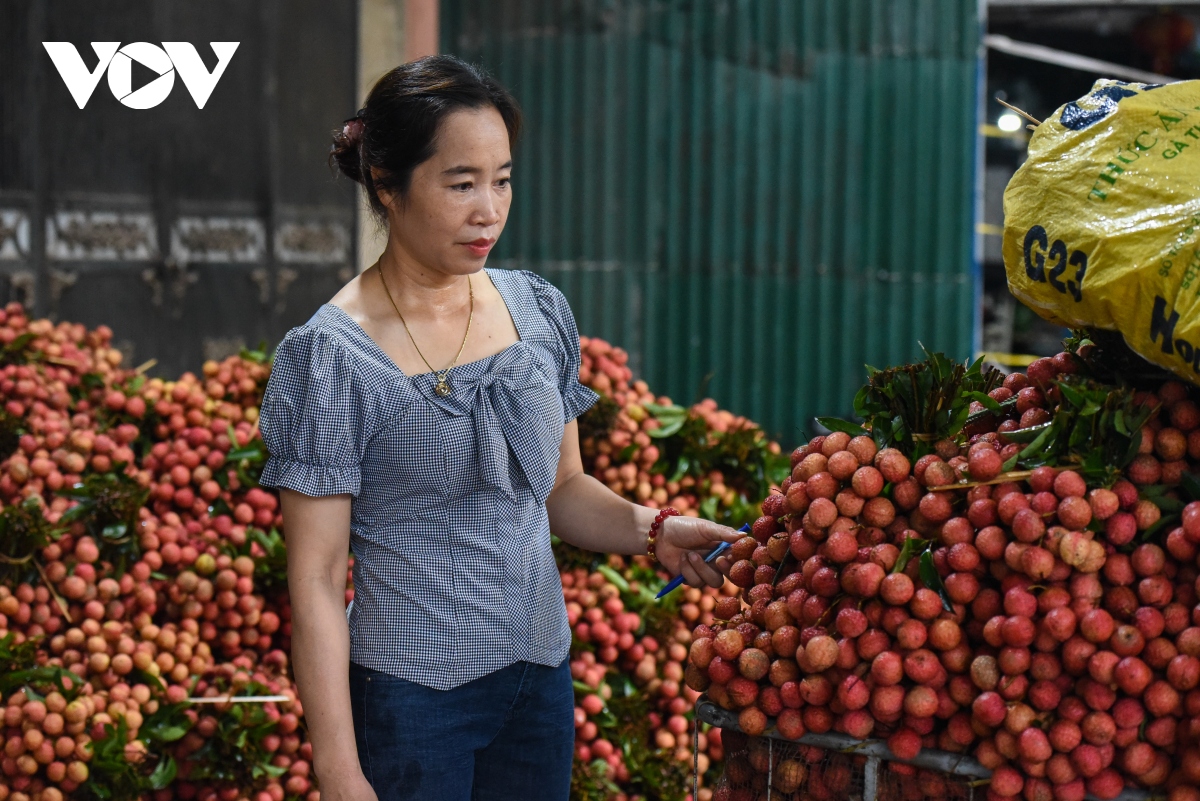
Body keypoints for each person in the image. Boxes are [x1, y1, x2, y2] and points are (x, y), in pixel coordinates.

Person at [257, 55, 740, 801]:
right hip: (411, 702)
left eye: (503, 179)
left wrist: (654, 529)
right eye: (461, 184)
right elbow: (316, 579)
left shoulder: (535, 313)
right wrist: (340, 770)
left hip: (537, 685)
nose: (490, 209)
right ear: (386, 180)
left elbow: (563, 487)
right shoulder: (330, 356)